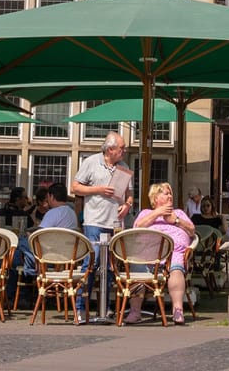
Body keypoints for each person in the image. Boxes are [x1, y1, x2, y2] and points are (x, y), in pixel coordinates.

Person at [72, 132, 133, 318]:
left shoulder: (123, 166)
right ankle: (81, 307)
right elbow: (75, 187)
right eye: (121, 148)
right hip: (95, 222)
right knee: (91, 262)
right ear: (110, 149)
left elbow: (130, 193)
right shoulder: (91, 162)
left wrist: (128, 205)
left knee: (109, 267)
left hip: (115, 223)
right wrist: (97, 189)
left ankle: (105, 307)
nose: (124, 151)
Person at [126, 182, 195, 325]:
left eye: (171, 193)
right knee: (137, 268)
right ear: (155, 198)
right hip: (148, 255)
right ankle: (135, 311)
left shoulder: (180, 213)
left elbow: (192, 230)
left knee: (176, 268)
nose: (170, 196)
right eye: (166, 193)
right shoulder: (146, 213)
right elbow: (137, 227)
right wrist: (158, 213)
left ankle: (177, 310)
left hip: (174, 252)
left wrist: (175, 220)